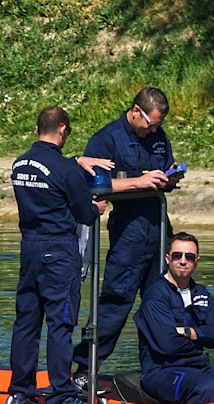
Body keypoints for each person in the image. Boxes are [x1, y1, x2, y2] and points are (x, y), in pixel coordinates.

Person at [71, 86, 185, 383]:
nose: (154, 130)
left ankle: (157, 370)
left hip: (159, 228)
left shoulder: (158, 137)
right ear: (136, 112)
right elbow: (94, 186)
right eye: (151, 124)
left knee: (161, 304)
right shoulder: (106, 139)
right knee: (115, 303)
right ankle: (84, 369)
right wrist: (140, 182)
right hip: (128, 233)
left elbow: (162, 177)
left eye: (159, 125)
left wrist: (171, 178)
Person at [8, 106, 112, 404]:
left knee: (26, 322)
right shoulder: (65, 170)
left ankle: (21, 390)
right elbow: (84, 212)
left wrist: (76, 162)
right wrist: (99, 208)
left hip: (30, 248)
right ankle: (61, 395)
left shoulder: (20, 163)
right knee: (60, 324)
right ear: (63, 129)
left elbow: (52, 172)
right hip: (59, 251)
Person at [133, 232, 214, 404]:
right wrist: (204, 337)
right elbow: (168, 344)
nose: (183, 261)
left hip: (199, 366)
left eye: (189, 257)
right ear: (167, 259)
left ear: (196, 260)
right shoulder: (156, 295)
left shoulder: (201, 293)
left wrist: (191, 332)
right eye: (177, 256)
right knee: (204, 386)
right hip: (161, 371)